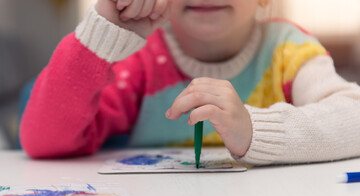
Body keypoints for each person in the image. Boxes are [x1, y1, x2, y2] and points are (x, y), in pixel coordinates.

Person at [20, 0, 360, 165]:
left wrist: (255, 129)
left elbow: (354, 119)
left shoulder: (289, 49)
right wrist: (99, 37)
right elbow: (43, 144)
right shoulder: (140, 58)